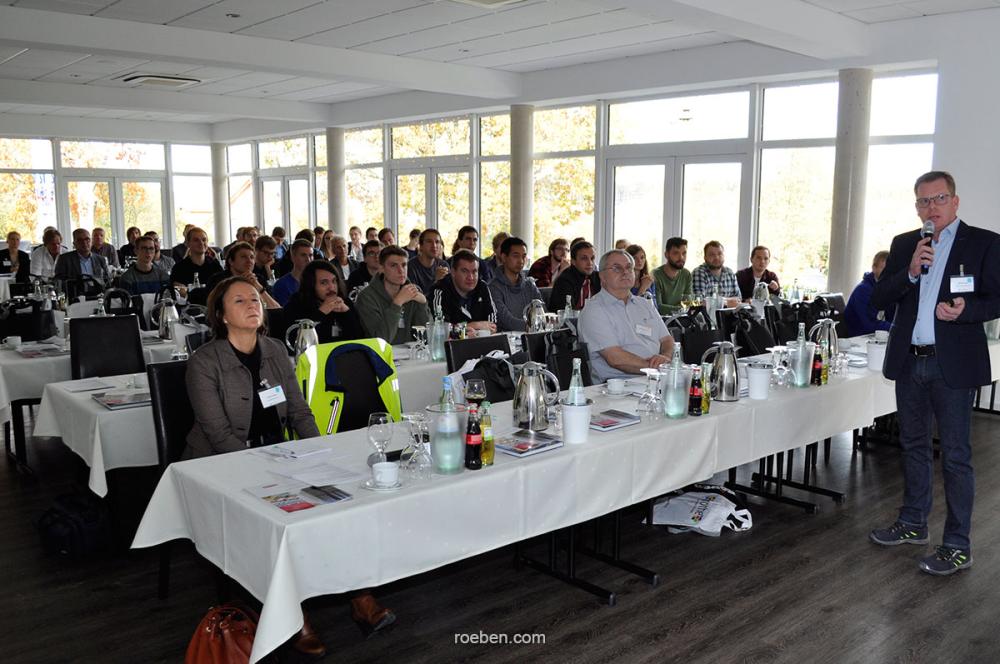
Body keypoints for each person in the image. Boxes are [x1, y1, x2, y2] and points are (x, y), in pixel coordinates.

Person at [183, 276, 394, 655]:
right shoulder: (204, 362)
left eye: (255, 299)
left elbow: (298, 410)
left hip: (277, 455)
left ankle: (360, 597)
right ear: (221, 315)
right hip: (221, 465)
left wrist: (320, 452)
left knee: (340, 501)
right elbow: (217, 434)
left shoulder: (275, 349)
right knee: (280, 522)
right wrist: (266, 472)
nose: (252, 305)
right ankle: (294, 617)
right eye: (239, 301)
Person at [869, 170, 1000, 576]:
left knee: (956, 457)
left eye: (939, 198)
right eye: (923, 201)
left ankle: (958, 545)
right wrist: (909, 272)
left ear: (955, 202)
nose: (931, 207)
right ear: (917, 207)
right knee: (913, 446)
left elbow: (996, 299)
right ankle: (913, 523)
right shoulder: (905, 244)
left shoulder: (984, 243)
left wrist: (966, 310)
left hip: (951, 364)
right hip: (910, 361)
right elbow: (879, 296)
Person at [579, 250, 673, 383]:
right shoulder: (594, 310)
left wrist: (665, 357)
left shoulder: (644, 304)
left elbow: (667, 340)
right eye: (617, 268)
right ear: (602, 276)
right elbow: (615, 359)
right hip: (618, 386)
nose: (625, 272)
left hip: (657, 378)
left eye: (629, 267)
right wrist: (656, 368)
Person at [356, 246, 431, 345]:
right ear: (381, 268)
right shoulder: (366, 297)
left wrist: (423, 304)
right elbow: (381, 341)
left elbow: (427, 338)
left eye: (404, 265)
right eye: (394, 265)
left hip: (411, 353)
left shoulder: (413, 291)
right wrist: (397, 303)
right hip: (380, 354)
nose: (401, 271)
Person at [283, 260, 365, 344]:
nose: (331, 287)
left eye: (334, 281)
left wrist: (347, 313)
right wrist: (321, 313)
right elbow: (296, 342)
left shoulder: (345, 302)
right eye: (324, 283)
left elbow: (361, 339)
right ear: (311, 285)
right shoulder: (297, 304)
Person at [429, 249, 497, 333]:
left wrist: (465, 328)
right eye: (465, 271)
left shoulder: (482, 287)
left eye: (474, 271)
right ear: (453, 272)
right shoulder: (439, 290)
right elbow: (441, 328)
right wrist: (472, 326)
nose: (470, 277)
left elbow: (493, 324)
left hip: (480, 340)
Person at [489, 236, 543, 332]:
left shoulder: (529, 285)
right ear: (504, 257)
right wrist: (533, 327)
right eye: (516, 256)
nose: (521, 261)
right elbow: (506, 320)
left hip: (532, 335)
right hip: (506, 338)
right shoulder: (493, 287)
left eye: (523, 256)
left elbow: (542, 312)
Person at [206, 242, 281, 309]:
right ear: (231, 261)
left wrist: (258, 287)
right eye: (243, 257)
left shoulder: (259, 279)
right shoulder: (217, 280)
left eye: (252, 257)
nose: (249, 261)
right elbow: (213, 309)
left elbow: (276, 309)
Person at [170, 226, 224, 306]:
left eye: (204, 240)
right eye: (196, 240)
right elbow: (180, 293)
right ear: (188, 243)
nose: (201, 243)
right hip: (189, 309)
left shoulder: (215, 265)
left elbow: (222, 288)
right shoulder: (179, 268)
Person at [845, 251, 894, 337]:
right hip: (859, 337)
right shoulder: (863, 290)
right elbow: (868, 324)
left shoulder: (888, 289)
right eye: (883, 268)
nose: (886, 272)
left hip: (878, 336)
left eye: (889, 269)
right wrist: (894, 327)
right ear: (874, 268)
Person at [548, 241, 600, 312]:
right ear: (573, 261)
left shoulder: (600, 278)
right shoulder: (564, 281)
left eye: (592, 258)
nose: (590, 263)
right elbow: (566, 313)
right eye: (584, 258)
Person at [691, 240, 741, 306]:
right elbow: (699, 301)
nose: (716, 257)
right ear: (705, 257)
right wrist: (727, 302)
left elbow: (738, 299)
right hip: (706, 313)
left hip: (728, 312)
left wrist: (716, 301)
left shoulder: (730, 273)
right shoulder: (699, 273)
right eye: (712, 255)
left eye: (720, 254)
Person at [652, 237, 693, 315]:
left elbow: (688, 303)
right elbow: (658, 307)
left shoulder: (686, 274)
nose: (681, 257)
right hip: (662, 320)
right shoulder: (656, 275)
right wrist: (681, 309)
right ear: (666, 255)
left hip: (682, 318)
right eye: (676, 253)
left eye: (684, 253)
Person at [272, 239, 314, 306]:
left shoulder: (317, 281)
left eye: (311, 255)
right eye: (303, 255)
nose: (308, 260)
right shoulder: (282, 285)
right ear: (293, 257)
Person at [407, 228, 449, 295]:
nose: (434, 245)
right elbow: (416, 297)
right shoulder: (411, 267)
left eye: (437, 242)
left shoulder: (443, 264)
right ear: (421, 246)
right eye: (429, 241)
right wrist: (435, 280)